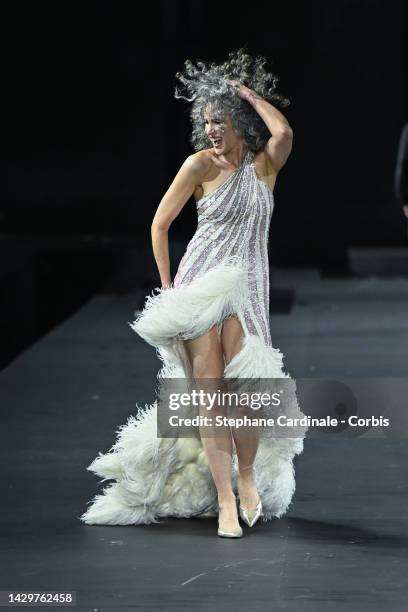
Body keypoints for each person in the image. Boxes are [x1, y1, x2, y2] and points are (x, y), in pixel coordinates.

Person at [80, 49, 307, 538]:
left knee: (246, 392)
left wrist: (245, 92)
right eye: (205, 121)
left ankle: (246, 478)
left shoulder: (265, 166)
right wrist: (168, 287)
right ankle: (226, 501)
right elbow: (160, 224)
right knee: (209, 395)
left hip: (247, 289)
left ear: (239, 120)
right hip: (202, 287)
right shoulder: (199, 166)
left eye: (218, 120)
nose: (211, 130)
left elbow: (284, 133)